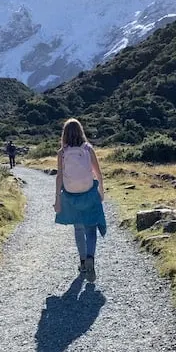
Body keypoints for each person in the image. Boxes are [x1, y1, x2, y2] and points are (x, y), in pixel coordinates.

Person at [53, 118, 106, 282]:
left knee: (78, 229)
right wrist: (101, 191)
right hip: (88, 192)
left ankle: (83, 262)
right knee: (91, 229)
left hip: (71, 194)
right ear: (81, 131)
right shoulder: (88, 149)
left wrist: (57, 199)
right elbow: (98, 173)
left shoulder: (62, 153)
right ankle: (90, 257)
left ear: (65, 135)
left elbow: (59, 177)